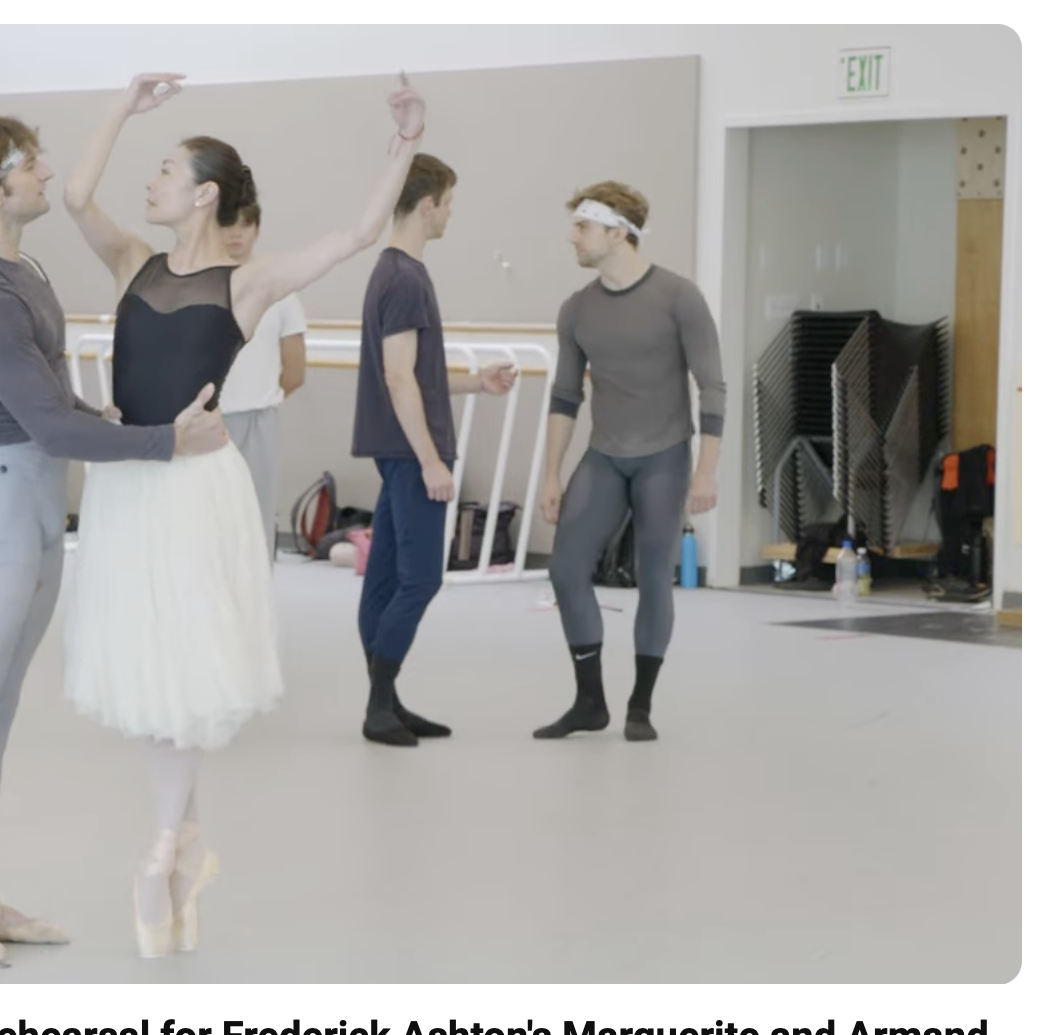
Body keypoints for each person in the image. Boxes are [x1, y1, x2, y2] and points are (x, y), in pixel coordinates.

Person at [61, 71, 435, 958]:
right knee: (152, 669)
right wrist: (120, 104)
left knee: (182, 676)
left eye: (162, 172)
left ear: (202, 196)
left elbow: (351, 236)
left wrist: (404, 146)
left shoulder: (250, 284)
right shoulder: (132, 265)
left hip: (197, 488)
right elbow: (77, 195)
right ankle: (182, 840)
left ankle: (162, 847)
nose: (146, 185)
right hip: (130, 485)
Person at [0, 114, 228, 967]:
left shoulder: (24, 266)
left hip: (34, 503)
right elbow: (51, 425)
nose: (47, 173)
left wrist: (121, 423)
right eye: (29, 166)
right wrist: (166, 442)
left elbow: (59, 402)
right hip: (1, 500)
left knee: (2, 707)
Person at [533, 181, 725, 743]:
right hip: (605, 456)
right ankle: (590, 701)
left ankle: (640, 706)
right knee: (565, 569)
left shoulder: (678, 297)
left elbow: (712, 387)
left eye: (582, 227)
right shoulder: (576, 310)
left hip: (664, 456)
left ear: (618, 232)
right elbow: (565, 397)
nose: (572, 237)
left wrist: (706, 469)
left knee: (652, 577)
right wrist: (550, 473)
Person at [352, 155, 517, 748]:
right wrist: (430, 460)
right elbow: (399, 380)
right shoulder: (405, 279)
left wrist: (477, 383)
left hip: (396, 449)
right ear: (428, 205)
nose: (450, 214)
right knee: (421, 580)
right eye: (449, 203)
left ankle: (387, 701)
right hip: (409, 451)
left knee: (389, 578)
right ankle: (378, 705)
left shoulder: (392, 273)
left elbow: (412, 373)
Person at [219, 202, 308, 560]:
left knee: (255, 519)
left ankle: (254, 611)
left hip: (258, 419)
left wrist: (260, 397)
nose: (237, 233)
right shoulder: (199, 286)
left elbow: (295, 372)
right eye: (229, 224)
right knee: (206, 520)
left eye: (245, 224)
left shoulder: (281, 291)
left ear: (256, 230)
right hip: (205, 420)